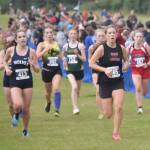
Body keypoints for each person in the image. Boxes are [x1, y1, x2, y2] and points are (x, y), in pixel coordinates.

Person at [90, 26, 129, 140]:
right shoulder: (102, 49)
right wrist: (104, 70)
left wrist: (126, 66)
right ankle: (109, 102)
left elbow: (127, 61)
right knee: (108, 114)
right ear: (106, 35)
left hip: (117, 81)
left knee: (119, 108)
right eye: (110, 33)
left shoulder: (121, 48)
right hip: (104, 83)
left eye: (114, 33)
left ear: (116, 35)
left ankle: (116, 133)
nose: (112, 35)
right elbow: (91, 63)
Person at [4, 30, 39, 136]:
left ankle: (25, 129)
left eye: (24, 36)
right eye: (20, 37)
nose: (22, 38)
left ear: (26, 38)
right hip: (15, 81)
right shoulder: (11, 50)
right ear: (16, 40)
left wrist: (33, 64)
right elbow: (5, 61)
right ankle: (16, 114)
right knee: (17, 104)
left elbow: (37, 70)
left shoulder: (31, 51)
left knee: (26, 109)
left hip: (27, 82)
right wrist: (7, 69)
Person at [36, 26, 62, 117]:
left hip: (56, 70)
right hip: (46, 71)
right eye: (47, 32)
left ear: (53, 34)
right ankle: (48, 102)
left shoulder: (56, 44)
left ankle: (57, 110)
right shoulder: (41, 44)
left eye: (51, 32)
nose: (49, 34)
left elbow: (60, 55)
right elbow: (37, 56)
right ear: (44, 35)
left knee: (56, 88)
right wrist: (45, 50)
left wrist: (63, 58)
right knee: (47, 94)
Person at [62, 29, 86, 115]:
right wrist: (64, 60)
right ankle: (75, 108)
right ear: (68, 35)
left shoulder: (80, 46)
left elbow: (84, 60)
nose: (72, 35)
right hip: (69, 71)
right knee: (74, 87)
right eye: (71, 34)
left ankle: (75, 100)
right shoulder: (65, 46)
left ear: (77, 35)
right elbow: (63, 56)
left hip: (79, 71)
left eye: (74, 34)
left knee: (77, 91)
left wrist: (78, 55)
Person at [127, 30, 150, 114]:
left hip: (145, 70)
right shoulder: (130, 47)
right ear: (134, 38)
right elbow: (125, 58)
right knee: (138, 87)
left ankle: (142, 96)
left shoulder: (145, 46)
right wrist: (127, 63)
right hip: (135, 69)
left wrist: (147, 64)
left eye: (140, 37)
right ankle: (140, 108)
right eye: (137, 37)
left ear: (143, 38)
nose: (139, 38)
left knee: (145, 91)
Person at [88, 29, 106, 119]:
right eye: (99, 36)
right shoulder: (91, 48)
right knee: (98, 90)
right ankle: (101, 111)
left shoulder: (108, 46)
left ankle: (108, 107)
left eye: (103, 36)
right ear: (95, 37)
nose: (101, 38)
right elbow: (89, 60)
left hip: (106, 70)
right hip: (96, 70)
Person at [0, 32, 16, 117]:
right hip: (7, 79)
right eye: (8, 42)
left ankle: (19, 113)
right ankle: (14, 119)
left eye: (12, 42)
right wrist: (7, 63)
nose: (10, 44)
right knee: (10, 104)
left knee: (18, 101)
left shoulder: (19, 51)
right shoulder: (3, 52)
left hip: (19, 78)